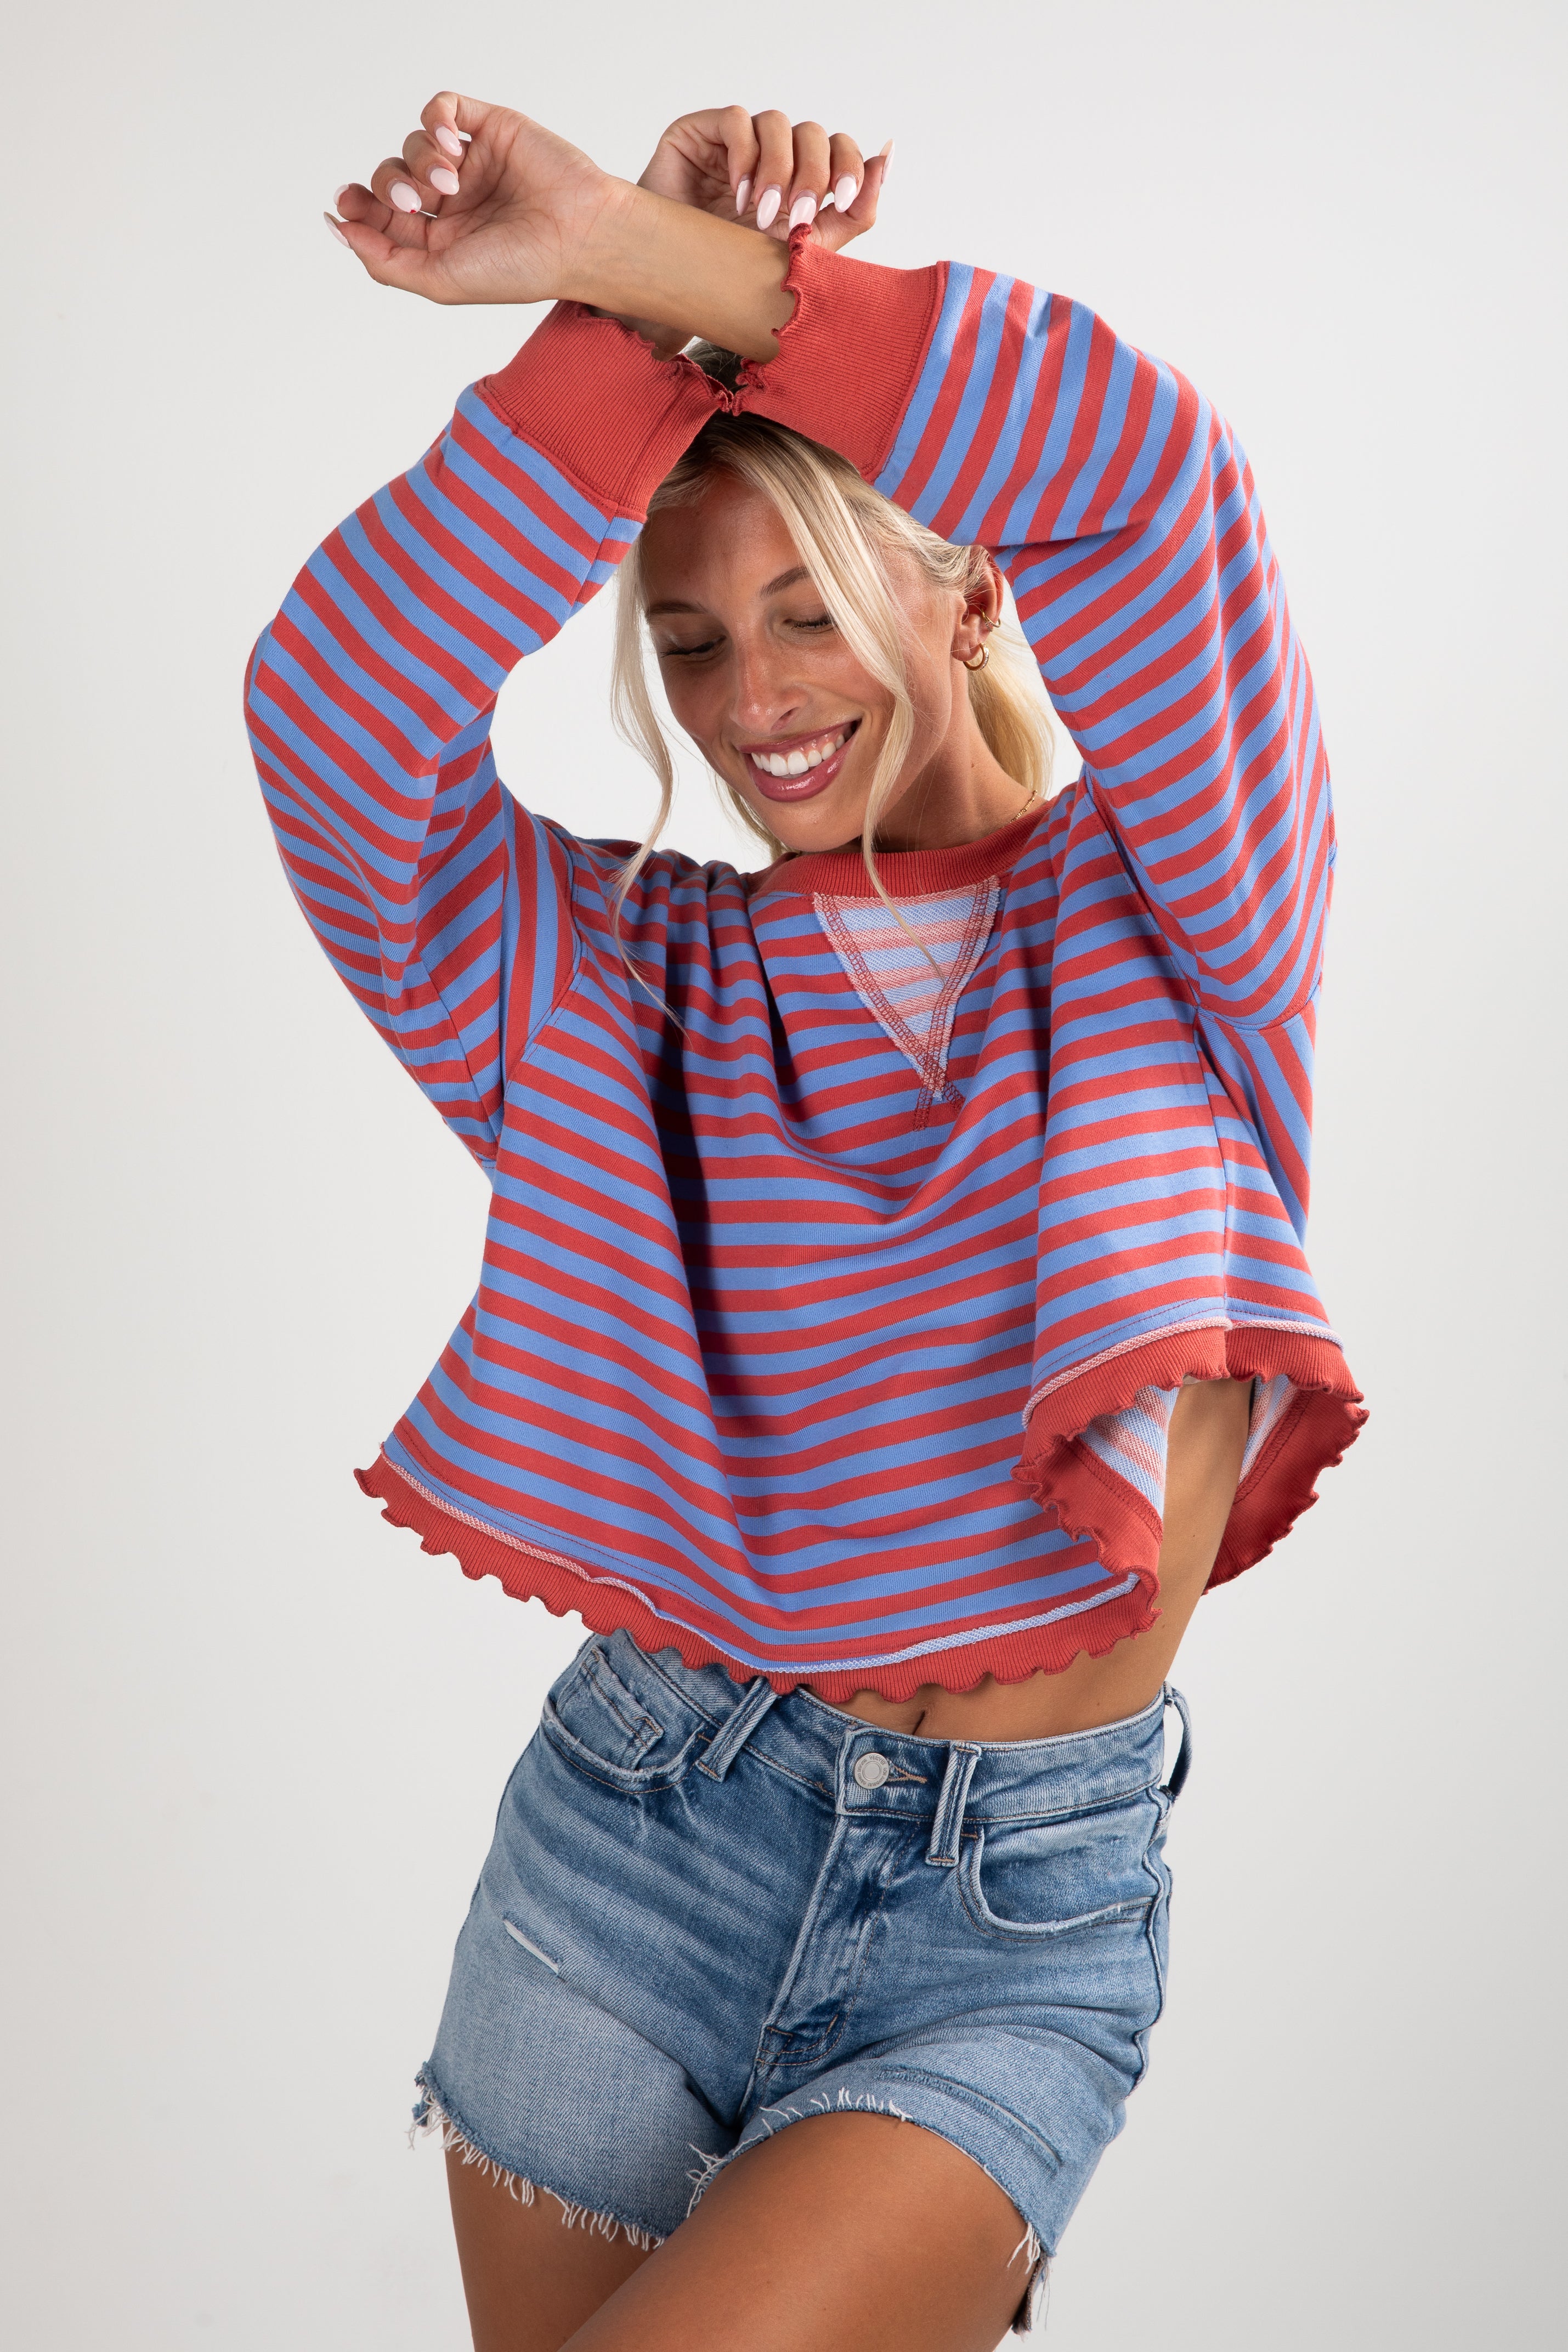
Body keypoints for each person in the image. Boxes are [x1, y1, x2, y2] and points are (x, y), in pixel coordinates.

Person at [247, 93, 1366, 2351]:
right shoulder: (623, 988)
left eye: (804, 604)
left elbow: (1157, 483)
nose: (750, 692)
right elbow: (332, 726)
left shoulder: (1181, 913)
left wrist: (719, 278)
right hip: (633, 1847)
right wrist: (607, 317)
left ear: (964, 588)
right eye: (682, 637)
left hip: (1005, 1916)